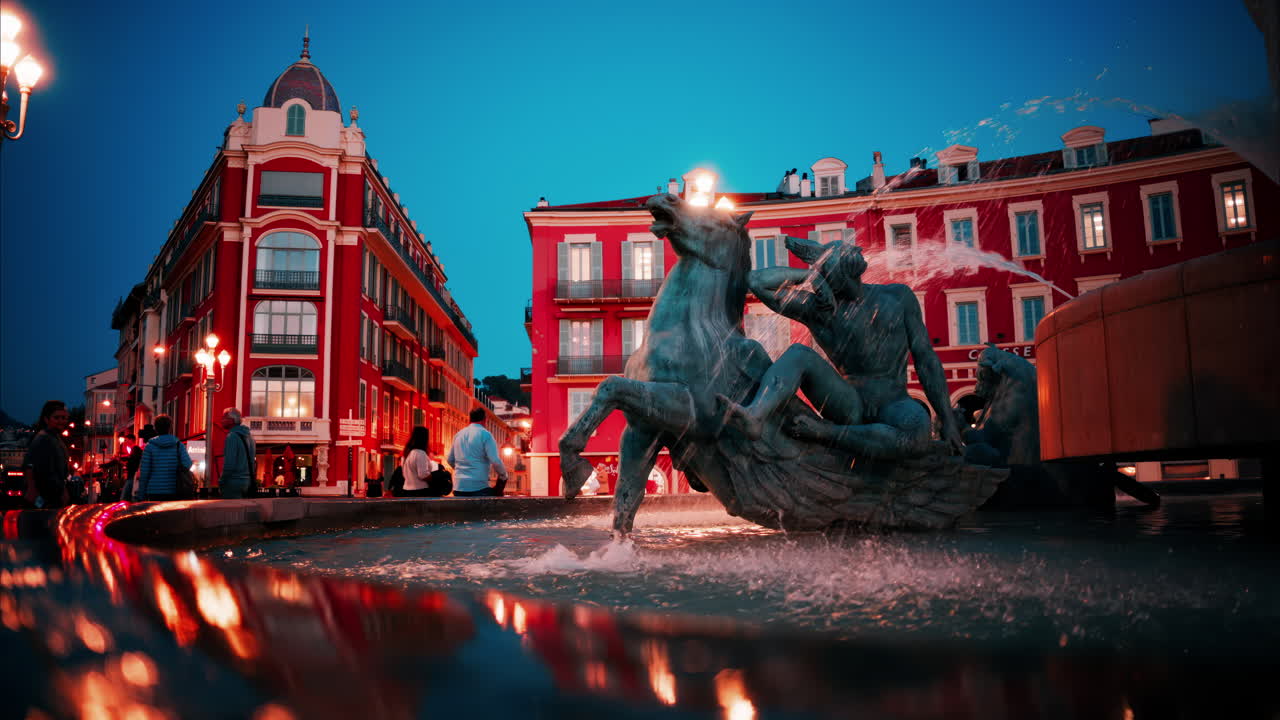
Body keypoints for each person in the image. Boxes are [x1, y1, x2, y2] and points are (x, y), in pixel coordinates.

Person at [722, 237, 964, 459]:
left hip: (894, 403)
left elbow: (926, 359)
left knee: (916, 432)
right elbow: (755, 281)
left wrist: (948, 420)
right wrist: (809, 276)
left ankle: (826, 433)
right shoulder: (820, 309)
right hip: (849, 403)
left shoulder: (899, 297)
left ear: (844, 273)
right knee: (799, 353)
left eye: (826, 272)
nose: (824, 277)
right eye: (822, 273)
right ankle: (755, 414)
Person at [447, 408, 508, 497]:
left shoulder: (458, 435)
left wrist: (462, 471)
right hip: (479, 486)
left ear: (470, 419)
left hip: (458, 487)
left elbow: (450, 460)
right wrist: (503, 475)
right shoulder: (485, 435)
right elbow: (495, 460)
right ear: (484, 420)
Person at [23, 401, 71, 509]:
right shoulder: (43, 438)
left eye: (64, 418)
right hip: (44, 498)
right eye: (57, 417)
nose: (61, 421)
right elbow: (29, 465)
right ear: (46, 419)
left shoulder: (55, 438)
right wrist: (32, 490)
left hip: (53, 497)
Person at [135, 414, 192, 501]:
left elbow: (144, 472)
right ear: (169, 427)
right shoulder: (178, 445)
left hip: (154, 490)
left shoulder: (149, 446)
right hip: (174, 489)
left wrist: (141, 495)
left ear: (156, 428)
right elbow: (187, 463)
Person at [399, 426, 450, 497]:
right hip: (420, 490)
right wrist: (438, 475)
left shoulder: (406, 453)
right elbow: (423, 475)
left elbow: (404, 474)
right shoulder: (420, 453)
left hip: (407, 489)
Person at [219, 407, 257, 498]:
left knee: (230, 511)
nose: (221, 421)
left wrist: (222, 481)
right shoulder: (250, 438)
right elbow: (252, 463)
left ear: (232, 420)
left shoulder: (232, 437)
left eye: (224, 418)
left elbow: (229, 464)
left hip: (233, 483)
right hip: (247, 483)